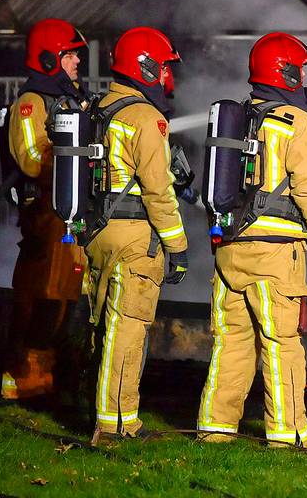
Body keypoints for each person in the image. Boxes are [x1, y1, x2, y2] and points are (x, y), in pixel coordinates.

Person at [196, 32, 307, 448]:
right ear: (286, 72)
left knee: (231, 344)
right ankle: (286, 436)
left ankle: (215, 429)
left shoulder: (239, 118)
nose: (303, 76)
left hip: (229, 249)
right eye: (299, 68)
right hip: (276, 256)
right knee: (282, 345)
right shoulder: (296, 124)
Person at [85, 26, 188, 442]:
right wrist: (177, 246)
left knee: (102, 328)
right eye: (163, 67)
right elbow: (158, 193)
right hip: (133, 237)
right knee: (128, 329)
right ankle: (116, 425)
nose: (168, 76)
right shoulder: (146, 118)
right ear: (145, 67)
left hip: (96, 231)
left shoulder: (98, 107)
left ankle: (103, 412)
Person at [2, 18, 89, 401]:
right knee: (45, 296)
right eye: (69, 55)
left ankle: (51, 380)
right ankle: (21, 380)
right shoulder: (31, 103)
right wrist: (74, 158)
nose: (76, 62)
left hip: (69, 212)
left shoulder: (71, 99)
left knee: (68, 296)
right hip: (46, 216)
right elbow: (32, 157)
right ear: (50, 57)